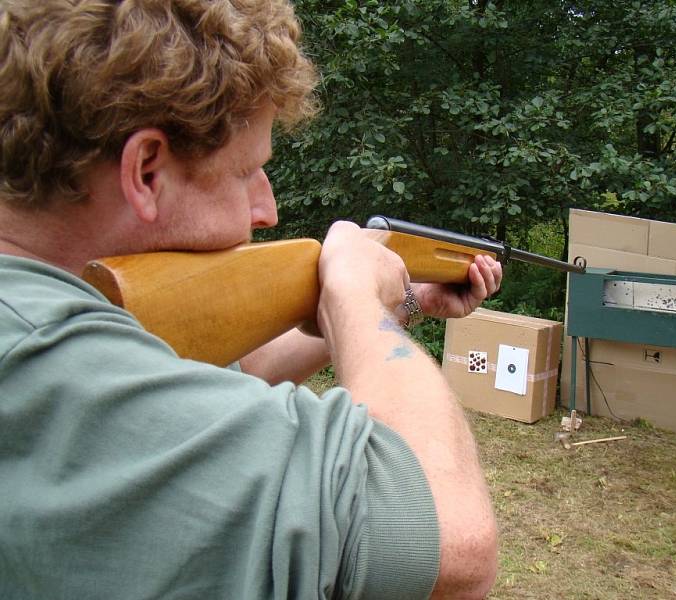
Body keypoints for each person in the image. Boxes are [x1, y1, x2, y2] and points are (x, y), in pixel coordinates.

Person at [0, 1, 502, 598]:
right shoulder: (46, 363)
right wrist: (360, 305)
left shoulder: (44, 323)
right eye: (247, 173)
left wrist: (398, 303)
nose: (266, 209)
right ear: (146, 170)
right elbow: (451, 542)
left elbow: (218, 361)